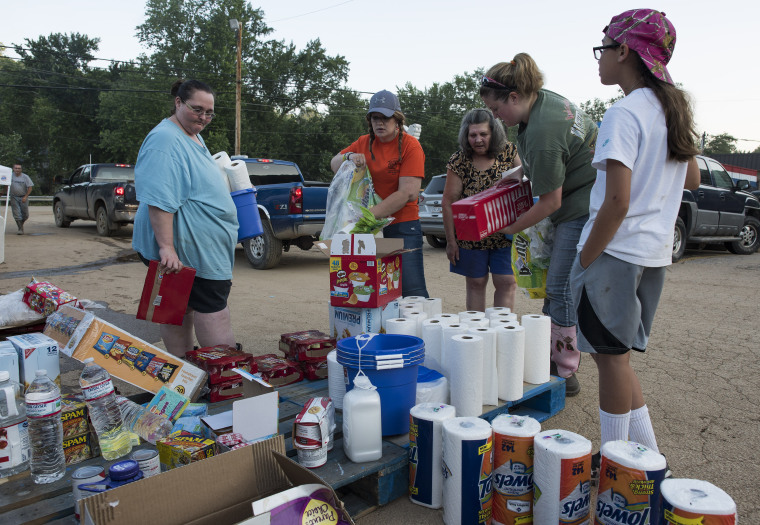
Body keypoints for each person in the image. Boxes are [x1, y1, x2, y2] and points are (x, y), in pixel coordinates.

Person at [570, 9, 700, 477]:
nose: (600, 58)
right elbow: (693, 177)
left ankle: (617, 468)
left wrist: (584, 258)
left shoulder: (624, 112)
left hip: (615, 254)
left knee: (609, 362)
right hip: (652, 255)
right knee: (620, 358)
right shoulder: (670, 110)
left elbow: (617, 201)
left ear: (624, 51)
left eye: (603, 47)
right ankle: (649, 458)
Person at [479, 53, 598, 396]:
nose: (496, 117)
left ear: (513, 97)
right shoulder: (543, 104)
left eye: (497, 109)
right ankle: (549, 355)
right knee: (554, 286)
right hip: (576, 200)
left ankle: (565, 371)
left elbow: (550, 201)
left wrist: (507, 229)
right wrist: (514, 175)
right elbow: (547, 164)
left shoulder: (545, 128)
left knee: (561, 287)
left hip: (581, 207)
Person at [132, 79, 238, 358]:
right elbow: (158, 198)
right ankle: (223, 375)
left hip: (197, 244)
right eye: (197, 109)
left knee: (179, 305)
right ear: (178, 103)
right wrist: (166, 247)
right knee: (211, 307)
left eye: (209, 112)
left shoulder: (191, 133)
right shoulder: (164, 140)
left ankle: (187, 371)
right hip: (187, 248)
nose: (204, 117)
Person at [330, 90, 429, 298]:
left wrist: (368, 217)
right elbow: (333, 163)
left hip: (402, 223)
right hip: (370, 226)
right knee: (374, 288)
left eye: (385, 118)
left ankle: (416, 330)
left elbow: (408, 193)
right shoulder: (364, 142)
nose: (380, 123)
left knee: (412, 291)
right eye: (375, 118)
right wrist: (349, 156)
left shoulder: (411, 145)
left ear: (397, 119)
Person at [442, 108, 520, 311]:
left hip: (506, 234)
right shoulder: (458, 161)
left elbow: (523, 187)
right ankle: (477, 336)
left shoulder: (509, 152)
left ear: (494, 133)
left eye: (483, 134)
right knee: (476, 283)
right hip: (471, 236)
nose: (478, 140)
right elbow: (448, 201)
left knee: (506, 282)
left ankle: (502, 333)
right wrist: (451, 241)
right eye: (472, 135)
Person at [10, 163, 33, 235]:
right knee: (17, 213)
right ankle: (20, 229)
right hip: (14, 197)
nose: (17, 169)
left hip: (23, 196)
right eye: (16, 168)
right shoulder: (10, 176)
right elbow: (6, 185)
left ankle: (21, 223)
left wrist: (25, 196)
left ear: (21, 169)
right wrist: (2, 192)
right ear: (13, 169)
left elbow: (30, 187)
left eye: (19, 168)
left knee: (25, 215)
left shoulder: (25, 177)